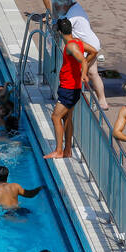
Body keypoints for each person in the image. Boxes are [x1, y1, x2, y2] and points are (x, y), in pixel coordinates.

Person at [43, 18, 85, 159]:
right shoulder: (78, 42)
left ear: (60, 32)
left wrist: (83, 73)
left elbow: (83, 59)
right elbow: (93, 51)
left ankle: (59, 150)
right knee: (67, 118)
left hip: (69, 89)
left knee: (55, 116)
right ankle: (67, 150)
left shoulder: (71, 46)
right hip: (73, 88)